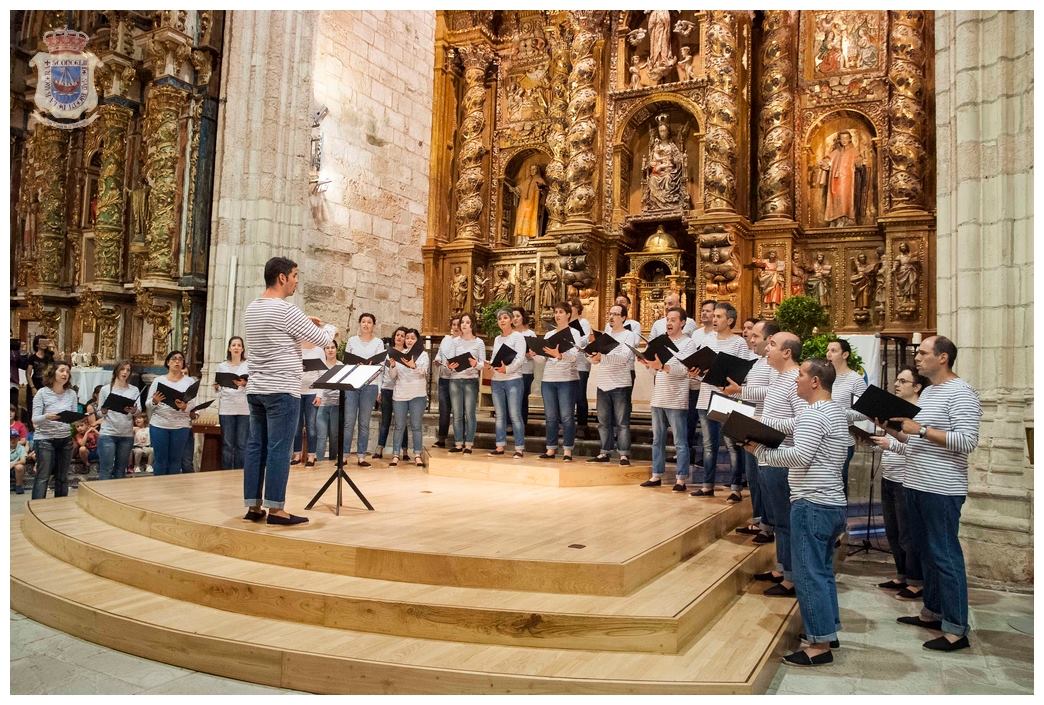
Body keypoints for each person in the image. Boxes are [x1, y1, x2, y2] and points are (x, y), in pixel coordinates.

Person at [873, 336, 981, 651]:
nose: (917, 358)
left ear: (943, 358)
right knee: (926, 552)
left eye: (923, 353)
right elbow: (916, 441)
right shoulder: (931, 392)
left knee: (945, 555)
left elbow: (967, 441)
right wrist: (891, 428)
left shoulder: (961, 392)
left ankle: (956, 628)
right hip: (916, 483)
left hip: (942, 488)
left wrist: (918, 429)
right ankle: (933, 612)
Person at [746, 358, 849, 667]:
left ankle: (818, 645)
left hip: (812, 502)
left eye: (801, 375)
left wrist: (760, 452)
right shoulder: (832, 412)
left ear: (815, 381)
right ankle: (827, 631)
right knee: (822, 572)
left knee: (808, 574)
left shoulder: (815, 415)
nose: (796, 380)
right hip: (831, 502)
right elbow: (793, 433)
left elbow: (800, 456)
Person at [242, 257, 333, 526]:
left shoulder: (252, 308)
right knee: (280, 449)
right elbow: (325, 340)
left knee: (256, 446)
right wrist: (322, 327)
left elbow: (279, 334)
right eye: (294, 275)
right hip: (282, 389)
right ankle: (277, 510)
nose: (296, 281)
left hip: (257, 387)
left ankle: (253, 505)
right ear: (282, 278)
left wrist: (303, 322)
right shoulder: (287, 310)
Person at [748, 332, 807, 592]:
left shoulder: (796, 380)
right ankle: (783, 567)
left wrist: (765, 425)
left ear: (787, 352)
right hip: (768, 455)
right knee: (778, 519)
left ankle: (792, 578)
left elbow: (805, 421)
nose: (766, 348)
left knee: (785, 520)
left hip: (784, 459)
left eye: (772, 344)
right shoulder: (780, 378)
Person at [872, 365, 928, 600]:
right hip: (889, 476)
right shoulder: (896, 411)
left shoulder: (921, 414)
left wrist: (891, 444)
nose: (897, 384)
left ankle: (916, 581)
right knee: (893, 531)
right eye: (897, 380)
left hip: (906, 479)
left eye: (903, 381)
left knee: (908, 533)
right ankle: (902, 574)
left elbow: (919, 449)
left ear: (916, 387)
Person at [724, 320, 780, 542]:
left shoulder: (772, 365)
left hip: (764, 428)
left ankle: (768, 525)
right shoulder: (757, 362)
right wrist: (733, 393)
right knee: (754, 479)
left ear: (769, 339)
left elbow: (773, 392)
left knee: (763, 479)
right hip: (750, 424)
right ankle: (759, 520)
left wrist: (741, 390)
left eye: (756, 336)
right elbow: (748, 393)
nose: (750, 338)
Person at [691, 303, 753, 499]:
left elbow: (743, 373)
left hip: (728, 398)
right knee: (709, 445)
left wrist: (719, 374)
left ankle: (735, 487)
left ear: (730, 320)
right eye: (714, 316)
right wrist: (695, 372)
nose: (714, 319)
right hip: (706, 396)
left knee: (732, 445)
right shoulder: (707, 339)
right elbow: (701, 368)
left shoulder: (738, 343)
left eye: (719, 316)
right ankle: (707, 485)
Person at [639, 307, 700, 490]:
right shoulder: (660, 342)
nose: (669, 323)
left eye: (673, 319)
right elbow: (654, 370)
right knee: (657, 439)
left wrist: (663, 366)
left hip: (676, 397)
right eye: (667, 319)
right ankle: (656, 474)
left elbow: (684, 371)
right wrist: (647, 363)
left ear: (682, 322)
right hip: (658, 396)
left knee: (680, 441)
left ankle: (681, 478)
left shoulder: (688, 343)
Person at [588, 304, 638, 465]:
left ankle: (623, 454)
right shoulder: (604, 335)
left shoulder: (629, 335)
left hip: (620, 383)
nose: (611, 316)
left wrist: (603, 357)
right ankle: (604, 451)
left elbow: (624, 358)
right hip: (603, 382)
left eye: (615, 314)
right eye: (610, 313)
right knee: (603, 421)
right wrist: (592, 355)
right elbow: (593, 359)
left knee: (622, 422)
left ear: (623, 318)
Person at [538, 302, 584, 461]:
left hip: (567, 379)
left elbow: (574, 356)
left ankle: (567, 451)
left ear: (568, 314)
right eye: (555, 312)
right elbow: (542, 359)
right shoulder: (549, 335)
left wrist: (559, 355)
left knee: (566, 416)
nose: (557, 315)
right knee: (550, 416)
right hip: (549, 378)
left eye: (560, 312)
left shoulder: (574, 333)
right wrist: (534, 353)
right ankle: (550, 449)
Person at [825, 338, 868, 495]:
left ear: (845, 354)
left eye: (833, 351)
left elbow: (864, 412)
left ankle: (840, 517)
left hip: (842, 439)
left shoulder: (855, 380)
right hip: (822, 437)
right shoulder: (824, 377)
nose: (828, 354)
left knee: (838, 481)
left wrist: (838, 412)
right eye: (828, 350)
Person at [145, 351, 198, 476]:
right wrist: (154, 401)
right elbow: (147, 404)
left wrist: (185, 406)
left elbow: (195, 404)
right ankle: (158, 490)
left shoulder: (189, 381)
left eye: (180, 359)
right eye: (174, 359)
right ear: (168, 362)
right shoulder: (159, 381)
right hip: (159, 425)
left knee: (175, 461)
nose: (177, 361)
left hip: (180, 425)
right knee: (160, 460)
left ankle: (172, 491)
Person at [341, 313, 384, 466]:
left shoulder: (378, 343)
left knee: (364, 422)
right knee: (349, 421)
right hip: (353, 384)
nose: (366, 324)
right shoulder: (352, 341)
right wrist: (355, 366)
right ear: (359, 324)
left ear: (374, 325)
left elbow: (380, 367)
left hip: (370, 385)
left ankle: (361, 456)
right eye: (363, 322)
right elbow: (346, 363)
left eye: (369, 322)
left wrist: (379, 389)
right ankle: (344, 455)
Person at [30, 359, 77, 499]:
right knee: (43, 477)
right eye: (61, 370)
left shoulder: (71, 394)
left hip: (65, 439)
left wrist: (80, 418)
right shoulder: (42, 393)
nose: (65, 374)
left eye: (67, 372)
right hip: (45, 439)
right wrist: (47, 417)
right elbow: (34, 419)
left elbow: (73, 418)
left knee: (63, 477)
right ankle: (37, 509)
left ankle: (59, 508)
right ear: (52, 373)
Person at [441, 312, 485, 454]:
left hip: (471, 380)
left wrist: (474, 364)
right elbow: (449, 362)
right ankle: (458, 443)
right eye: (462, 322)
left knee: (469, 413)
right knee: (457, 413)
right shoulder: (454, 342)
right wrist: (450, 366)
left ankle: (469, 444)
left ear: (472, 324)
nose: (464, 325)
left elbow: (483, 364)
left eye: (467, 322)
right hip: (455, 379)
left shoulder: (479, 342)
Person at [486, 309, 528, 458]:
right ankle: (499, 446)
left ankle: (519, 448)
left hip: (513, 380)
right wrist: (489, 365)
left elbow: (520, 358)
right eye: (499, 319)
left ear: (511, 320)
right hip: (497, 380)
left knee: (515, 414)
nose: (502, 320)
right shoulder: (497, 339)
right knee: (500, 415)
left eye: (505, 318)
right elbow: (496, 358)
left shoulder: (518, 337)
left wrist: (507, 369)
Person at [387, 328, 429, 467]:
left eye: (412, 338)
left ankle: (417, 454)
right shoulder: (400, 354)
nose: (409, 340)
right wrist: (392, 366)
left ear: (417, 340)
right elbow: (393, 376)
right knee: (399, 426)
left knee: (416, 426)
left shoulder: (423, 355)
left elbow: (424, 372)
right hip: (400, 394)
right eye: (407, 338)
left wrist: (413, 366)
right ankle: (395, 455)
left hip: (417, 394)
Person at [96, 360, 141, 480]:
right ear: (116, 370)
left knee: (121, 470)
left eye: (128, 370)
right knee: (106, 469)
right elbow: (99, 413)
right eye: (122, 369)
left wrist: (133, 410)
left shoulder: (134, 390)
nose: (125, 372)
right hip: (108, 433)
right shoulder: (106, 389)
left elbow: (138, 412)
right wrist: (104, 411)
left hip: (126, 434)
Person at [214, 336, 250, 469]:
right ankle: (226, 472)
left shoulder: (248, 365)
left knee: (242, 444)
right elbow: (218, 386)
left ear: (242, 349)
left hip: (244, 408)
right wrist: (217, 387)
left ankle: (240, 471)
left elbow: (255, 385)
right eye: (233, 345)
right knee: (227, 444)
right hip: (227, 408)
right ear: (229, 348)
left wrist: (246, 383)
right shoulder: (222, 366)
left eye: (239, 345)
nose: (236, 347)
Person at [374, 328, 410, 460]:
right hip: (387, 389)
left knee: (402, 422)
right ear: (394, 337)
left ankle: (405, 451)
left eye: (403, 336)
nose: (399, 337)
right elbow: (380, 373)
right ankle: (379, 448)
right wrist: (379, 390)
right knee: (385, 420)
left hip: (401, 390)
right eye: (398, 335)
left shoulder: (408, 353)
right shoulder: (386, 353)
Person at [432, 316, 461, 448]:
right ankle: (442, 439)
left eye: (458, 325)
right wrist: (437, 360)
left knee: (458, 411)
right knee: (444, 410)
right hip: (444, 379)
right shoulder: (446, 339)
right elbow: (440, 353)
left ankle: (459, 439)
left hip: (457, 379)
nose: (456, 327)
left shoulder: (463, 341)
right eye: (454, 324)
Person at [312, 340, 343, 462]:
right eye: (327, 348)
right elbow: (318, 385)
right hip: (323, 404)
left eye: (333, 347)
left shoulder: (341, 365)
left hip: (336, 404)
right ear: (324, 350)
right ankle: (319, 460)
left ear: (336, 349)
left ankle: (332, 461)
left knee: (334, 436)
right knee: (321, 435)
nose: (330, 350)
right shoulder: (321, 365)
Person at [569, 299, 593, 433]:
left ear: (578, 308)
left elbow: (585, 340)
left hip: (581, 364)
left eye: (571, 306)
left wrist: (572, 339)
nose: (570, 308)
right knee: (569, 396)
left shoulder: (583, 323)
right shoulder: (565, 324)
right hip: (568, 363)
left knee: (580, 395)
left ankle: (582, 425)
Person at [511, 307, 537, 427]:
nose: (515, 319)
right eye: (513, 316)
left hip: (526, 370)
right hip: (512, 371)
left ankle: (522, 425)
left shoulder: (530, 334)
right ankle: (510, 423)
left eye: (517, 316)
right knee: (512, 398)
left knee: (522, 399)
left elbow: (535, 354)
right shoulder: (510, 334)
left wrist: (527, 354)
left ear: (523, 317)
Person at [11, 428, 27, 494]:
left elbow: (23, 460)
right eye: (10, 438)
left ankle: (19, 486)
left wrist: (12, 464)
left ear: (18, 439)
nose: (12, 440)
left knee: (19, 467)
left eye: (15, 437)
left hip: (14, 470)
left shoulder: (21, 448)